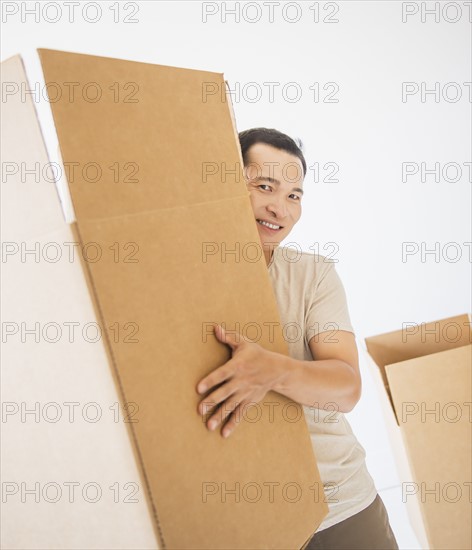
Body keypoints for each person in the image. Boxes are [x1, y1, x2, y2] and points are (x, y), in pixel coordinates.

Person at [196, 128, 398, 549]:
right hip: (236, 518)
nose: (279, 208)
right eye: (264, 187)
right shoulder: (186, 276)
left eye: (294, 195)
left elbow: (345, 388)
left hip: (339, 507)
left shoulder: (313, 275)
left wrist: (272, 370)